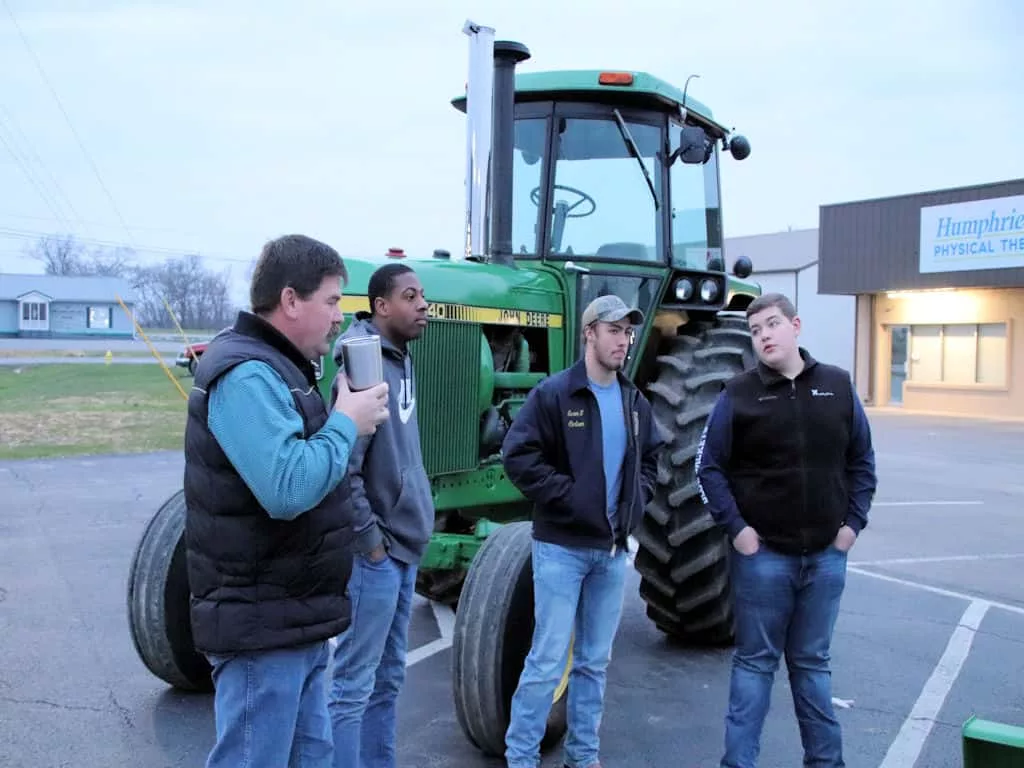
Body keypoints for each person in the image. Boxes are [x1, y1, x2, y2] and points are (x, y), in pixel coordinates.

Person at [183, 234, 392, 768]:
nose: (339, 317)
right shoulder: (246, 374)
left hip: (294, 621)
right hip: (263, 630)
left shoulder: (281, 367)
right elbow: (287, 488)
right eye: (331, 301)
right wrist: (345, 421)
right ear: (291, 300)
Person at [694, 292, 877, 768]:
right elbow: (707, 468)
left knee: (812, 665)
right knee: (754, 665)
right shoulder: (739, 394)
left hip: (826, 557)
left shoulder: (837, 385)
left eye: (772, 324)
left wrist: (852, 525)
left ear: (795, 326)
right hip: (764, 560)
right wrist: (738, 531)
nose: (764, 336)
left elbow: (862, 461)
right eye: (755, 330)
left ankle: (826, 763)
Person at [500, 294, 663, 768]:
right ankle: (521, 758)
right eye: (614, 330)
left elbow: (650, 460)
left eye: (627, 332)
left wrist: (636, 502)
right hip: (561, 550)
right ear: (589, 333)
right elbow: (518, 456)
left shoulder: (634, 401)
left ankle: (583, 756)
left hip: (611, 552)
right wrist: (570, 497)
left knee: (594, 662)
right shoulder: (555, 394)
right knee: (547, 660)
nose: (623, 341)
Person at [328, 262, 434, 768]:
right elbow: (343, 468)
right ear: (381, 306)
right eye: (410, 297)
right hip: (378, 555)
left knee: (388, 680)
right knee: (352, 686)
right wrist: (370, 542)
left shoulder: (399, 356)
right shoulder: (364, 363)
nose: (423, 305)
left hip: (402, 546)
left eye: (423, 295)